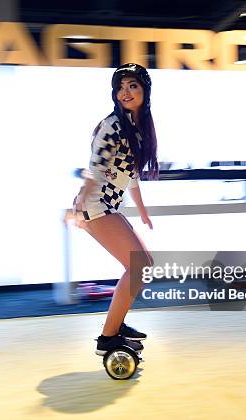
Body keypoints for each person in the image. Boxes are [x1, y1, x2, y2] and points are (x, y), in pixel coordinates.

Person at [70, 63, 159, 356]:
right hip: (95, 205)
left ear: (145, 90)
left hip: (107, 205)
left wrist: (143, 211)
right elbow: (95, 167)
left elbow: (129, 174)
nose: (125, 92)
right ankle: (108, 337)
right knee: (139, 267)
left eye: (132, 85)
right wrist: (82, 197)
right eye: (121, 87)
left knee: (142, 265)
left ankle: (116, 326)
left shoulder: (137, 128)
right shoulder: (113, 125)